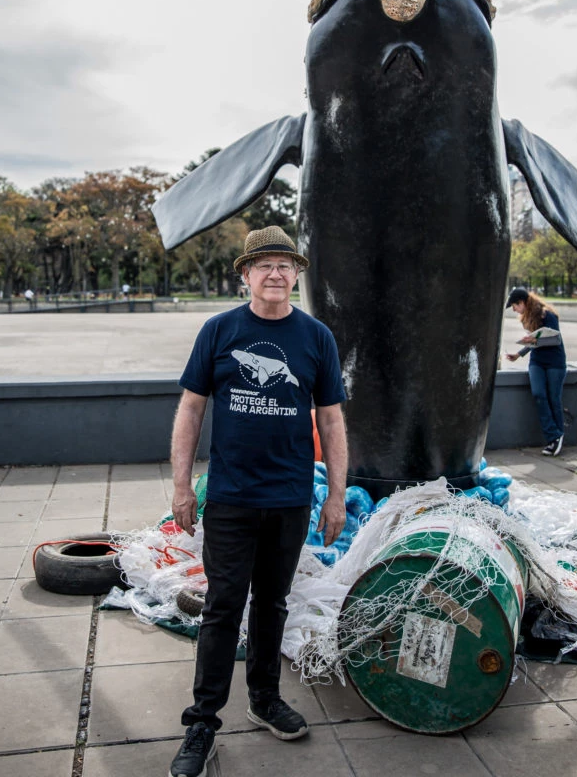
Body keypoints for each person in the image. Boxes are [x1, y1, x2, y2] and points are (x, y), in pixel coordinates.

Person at [168, 225, 348, 777]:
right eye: (264, 264)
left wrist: (336, 494)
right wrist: (181, 485)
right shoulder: (219, 330)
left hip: (290, 498)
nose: (275, 273)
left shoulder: (316, 338)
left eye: (285, 265)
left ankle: (264, 697)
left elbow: (332, 418)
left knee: (273, 604)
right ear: (245, 274)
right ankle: (202, 722)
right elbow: (192, 408)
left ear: (296, 276)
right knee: (224, 607)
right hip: (230, 497)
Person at [505, 286, 567, 456]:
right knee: (539, 395)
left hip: (555, 362)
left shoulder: (547, 314)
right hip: (537, 362)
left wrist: (535, 338)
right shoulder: (527, 318)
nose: (514, 310)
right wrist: (519, 353)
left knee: (554, 399)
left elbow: (555, 339)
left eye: (515, 306)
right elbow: (534, 343)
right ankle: (554, 435)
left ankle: (556, 439)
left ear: (523, 302)